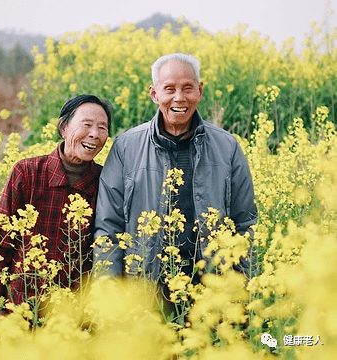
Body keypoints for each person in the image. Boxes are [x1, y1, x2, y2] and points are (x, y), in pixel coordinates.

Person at [93, 53, 257, 284]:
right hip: (145, 289)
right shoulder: (126, 147)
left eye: (188, 88)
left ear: (200, 91)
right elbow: (108, 227)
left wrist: (243, 290)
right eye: (169, 89)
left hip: (212, 288)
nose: (179, 98)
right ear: (154, 93)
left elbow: (245, 224)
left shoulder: (227, 146)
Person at [0, 94, 112, 311]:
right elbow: (0, 245)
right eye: (87, 125)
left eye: (102, 128)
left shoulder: (107, 181)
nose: (94, 134)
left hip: (73, 318)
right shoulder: (27, 173)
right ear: (63, 128)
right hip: (21, 309)